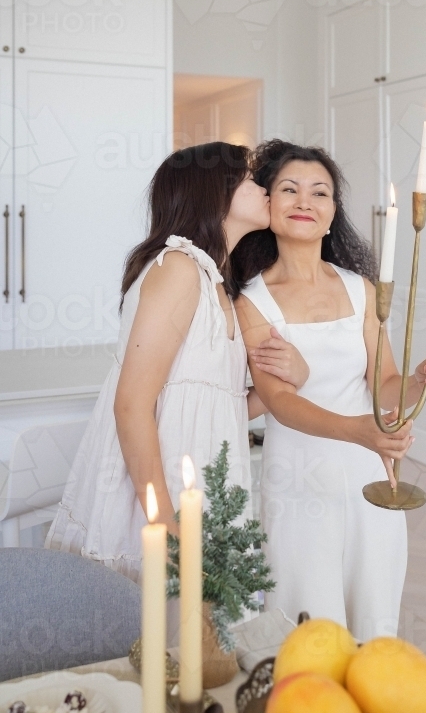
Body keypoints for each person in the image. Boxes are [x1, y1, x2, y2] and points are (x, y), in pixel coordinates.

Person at [45, 142, 308, 582]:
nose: (262, 187)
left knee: (197, 638)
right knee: (147, 635)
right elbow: (130, 405)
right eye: (248, 179)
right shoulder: (179, 268)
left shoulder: (218, 284)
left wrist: (290, 380)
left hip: (201, 485)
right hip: (155, 497)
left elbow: (219, 409)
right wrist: (162, 522)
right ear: (213, 193)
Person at [233, 140, 426, 640]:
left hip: (369, 481)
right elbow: (281, 403)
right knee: (312, 630)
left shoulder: (361, 289)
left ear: (333, 212)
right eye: (289, 189)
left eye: (320, 192)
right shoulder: (252, 302)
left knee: (374, 620)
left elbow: (386, 385)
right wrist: (361, 432)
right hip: (299, 485)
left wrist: (422, 379)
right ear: (268, 204)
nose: (304, 201)